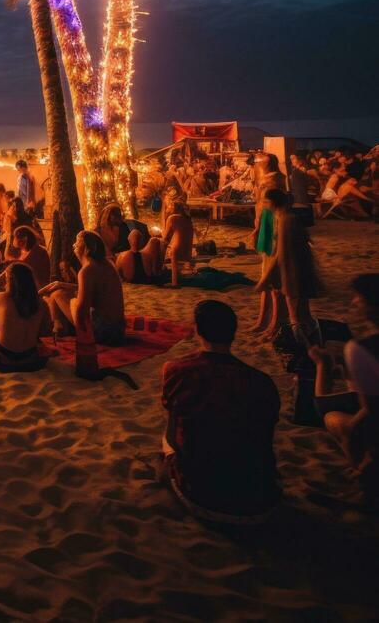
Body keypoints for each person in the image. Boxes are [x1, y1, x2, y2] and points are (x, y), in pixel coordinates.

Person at [161, 300, 281, 523]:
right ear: (233, 333)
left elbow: (173, 438)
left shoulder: (177, 370)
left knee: (167, 440)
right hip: (261, 501)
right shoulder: (262, 383)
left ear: (197, 330)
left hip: (202, 498)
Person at [308, 274, 379, 498]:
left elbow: (371, 412)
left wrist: (322, 365)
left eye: (359, 298)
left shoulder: (361, 349)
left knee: (333, 418)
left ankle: (365, 486)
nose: (354, 302)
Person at [254, 189, 320, 349]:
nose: (264, 205)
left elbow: (281, 252)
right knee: (303, 309)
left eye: (267, 202)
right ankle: (312, 338)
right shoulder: (291, 217)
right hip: (301, 264)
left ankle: (300, 342)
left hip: (292, 267)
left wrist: (266, 278)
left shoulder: (285, 220)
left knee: (295, 312)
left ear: (274, 203)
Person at [44, 231, 126, 346]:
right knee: (61, 292)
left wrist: (82, 334)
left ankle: (59, 327)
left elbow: (82, 311)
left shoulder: (87, 270)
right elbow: (95, 291)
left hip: (103, 332)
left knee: (57, 295)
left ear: (86, 248)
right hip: (119, 330)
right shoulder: (107, 264)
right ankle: (60, 327)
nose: (74, 245)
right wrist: (63, 285)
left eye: (77, 242)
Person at [0, 262, 53, 372]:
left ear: (9, 281)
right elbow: (44, 330)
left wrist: (0, 278)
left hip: (4, 359)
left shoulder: (2, 298)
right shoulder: (41, 303)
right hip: (30, 359)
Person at [161, 202, 194, 287]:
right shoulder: (188, 219)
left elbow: (165, 238)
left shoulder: (172, 218)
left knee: (163, 244)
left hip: (176, 252)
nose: (168, 209)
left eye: (169, 207)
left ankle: (173, 281)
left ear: (174, 209)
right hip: (188, 253)